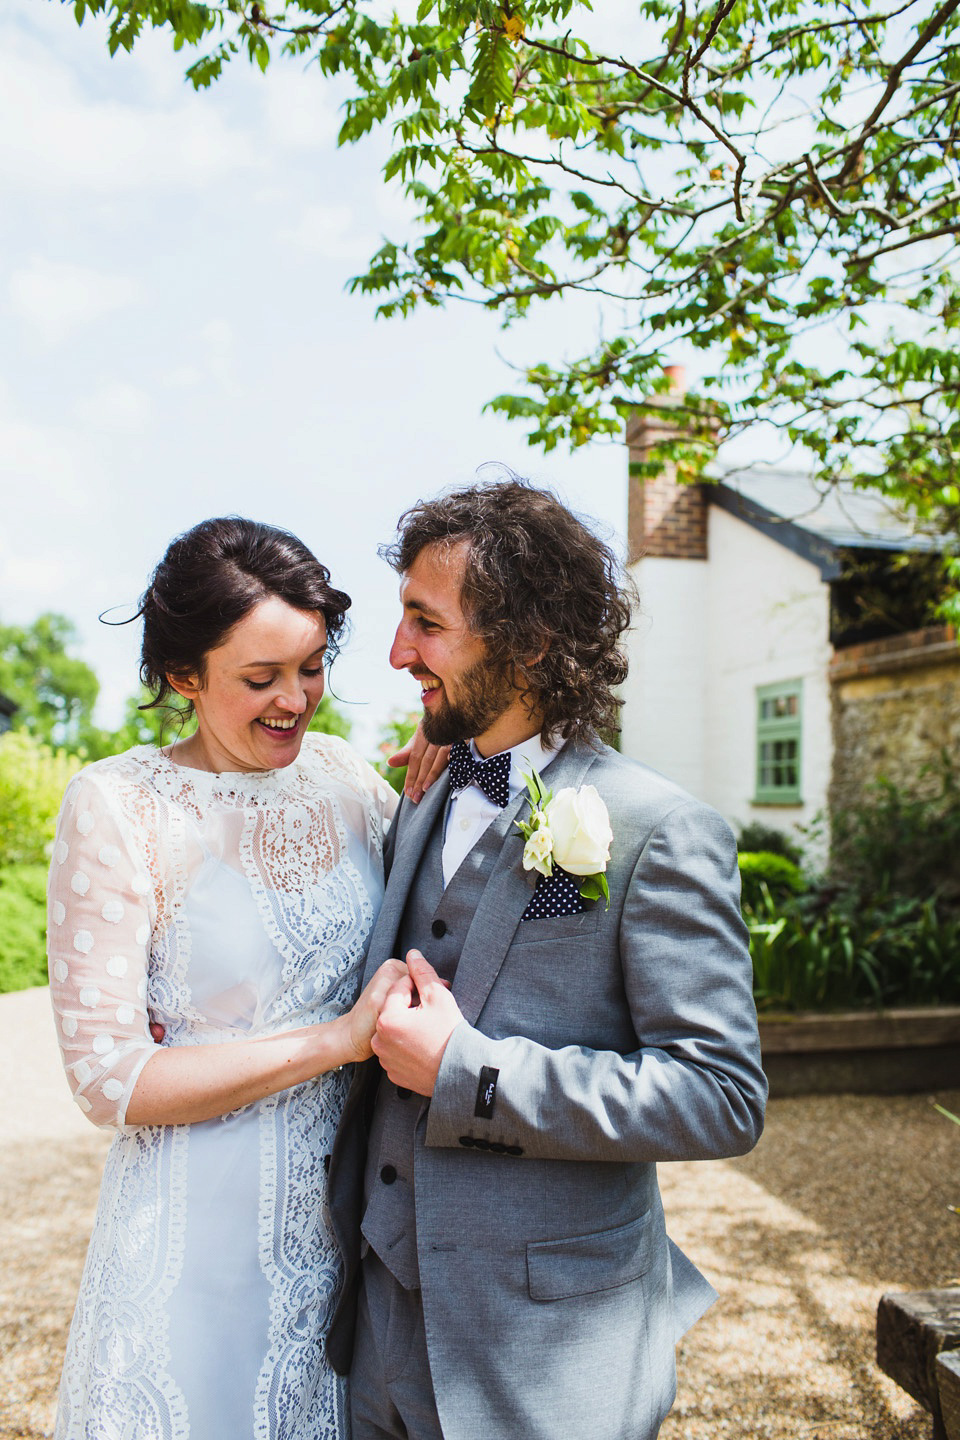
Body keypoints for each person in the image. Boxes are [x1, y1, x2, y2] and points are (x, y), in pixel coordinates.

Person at [326, 477, 768, 1440]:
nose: (399, 655)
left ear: (526, 642)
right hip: (375, 1331)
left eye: (425, 625)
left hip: (544, 1355)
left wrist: (468, 1074)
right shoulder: (427, 790)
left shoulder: (656, 829)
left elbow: (723, 1095)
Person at [47, 516, 427, 1440]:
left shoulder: (345, 780)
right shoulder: (120, 807)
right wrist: (334, 1043)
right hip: (193, 1242)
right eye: (260, 679)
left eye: (309, 667)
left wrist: (447, 778)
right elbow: (110, 1079)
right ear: (184, 676)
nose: (295, 701)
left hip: (346, 1238)